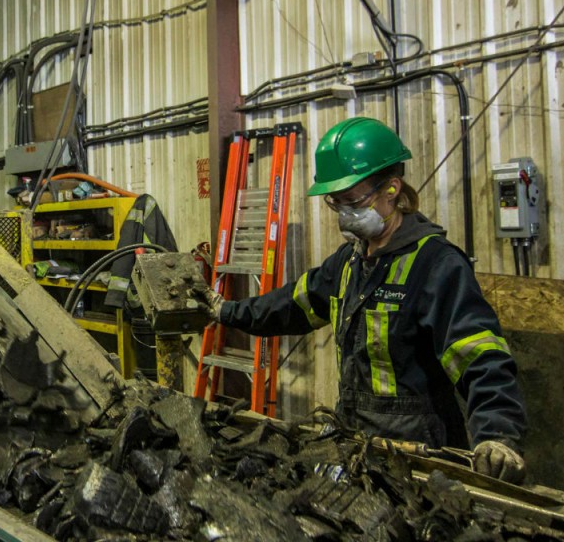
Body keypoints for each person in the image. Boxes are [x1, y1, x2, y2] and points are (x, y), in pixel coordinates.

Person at [202, 117, 528, 484]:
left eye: (353, 200)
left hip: (420, 455)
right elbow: (290, 306)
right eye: (336, 202)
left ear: (392, 189)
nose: (344, 213)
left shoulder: (435, 265)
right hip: (356, 442)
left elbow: (480, 355)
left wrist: (497, 435)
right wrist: (223, 310)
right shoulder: (350, 263)